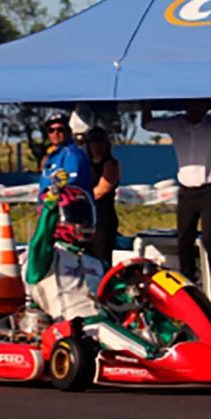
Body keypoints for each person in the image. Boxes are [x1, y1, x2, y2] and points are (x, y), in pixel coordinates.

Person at [24, 178, 178, 359]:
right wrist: (51, 203)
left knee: (146, 310)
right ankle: (154, 358)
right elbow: (40, 242)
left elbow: (116, 295)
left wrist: (134, 291)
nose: (82, 222)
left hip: (104, 324)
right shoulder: (47, 259)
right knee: (102, 327)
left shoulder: (94, 263)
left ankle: (183, 344)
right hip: (72, 327)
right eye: (76, 215)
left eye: (84, 215)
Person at [141, 99, 211, 313]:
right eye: (190, 106)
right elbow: (147, 125)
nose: (194, 110)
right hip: (187, 189)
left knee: (209, 237)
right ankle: (188, 285)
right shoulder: (176, 123)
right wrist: (147, 103)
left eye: (198, 106)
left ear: (205, 108)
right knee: (184, 239)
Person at [83, 126, 120, 265]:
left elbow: (102, 190)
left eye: (99, 142)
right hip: (86, 216)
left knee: (101, 256)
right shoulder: (85, 163)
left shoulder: (111, 164)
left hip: (103, 215)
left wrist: (80, 197)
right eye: (92, 142)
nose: (95, 146)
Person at [38, 113, 93, 201]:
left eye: (60, 129)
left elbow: (71, 186)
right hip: (49, 208)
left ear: (68, 131)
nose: (55, 133)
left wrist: (52, 198)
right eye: (51, 130)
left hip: (70, 210)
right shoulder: (52, 155)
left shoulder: (72, 154)